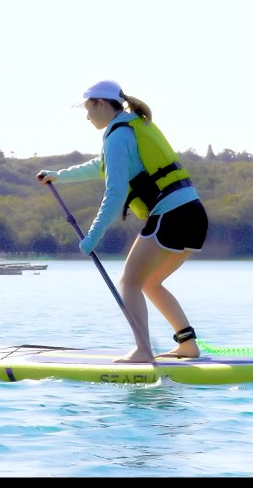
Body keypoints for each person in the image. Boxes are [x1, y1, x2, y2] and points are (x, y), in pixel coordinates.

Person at [37, 80, 208, 363]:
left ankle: (143, 350)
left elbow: (115, 193)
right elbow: (100, 167)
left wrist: (93, 236)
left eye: (88, 108)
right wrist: (60, 175)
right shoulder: (131, 127)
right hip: (193, 213)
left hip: (172, 215)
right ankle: (187, 345)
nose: (87, 116)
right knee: (149, 282)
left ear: (101, 104)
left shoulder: (118, 136)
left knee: (129, 281)